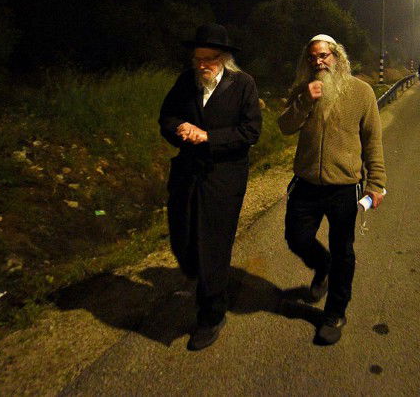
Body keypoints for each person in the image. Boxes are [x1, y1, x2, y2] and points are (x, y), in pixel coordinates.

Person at [158, 24, 262, 351]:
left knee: (213, 248)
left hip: (224, 178)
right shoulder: (186, 82)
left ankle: (211, 314)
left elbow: (250, 132)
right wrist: (180, 128)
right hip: (187, 174)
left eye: (209, 59)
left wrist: (210, 138)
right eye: (198, 58)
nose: (202, 65)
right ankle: (201, 278)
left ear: (224, 59)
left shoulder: (243, 84)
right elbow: (167, 117)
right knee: (183, 241)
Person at [278, 35, 386, 344]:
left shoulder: (361, 92)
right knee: (296, 238)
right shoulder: (303, 90)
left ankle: (335, 312)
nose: (318, 62)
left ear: (336, 57)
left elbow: (373, 140)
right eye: (312, 57)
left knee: (344, 252)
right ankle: (321, 266)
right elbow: (284, 126)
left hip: (344, 187)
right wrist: (304, 101)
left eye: (324, 56)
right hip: (306, 183)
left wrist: (376, 182)